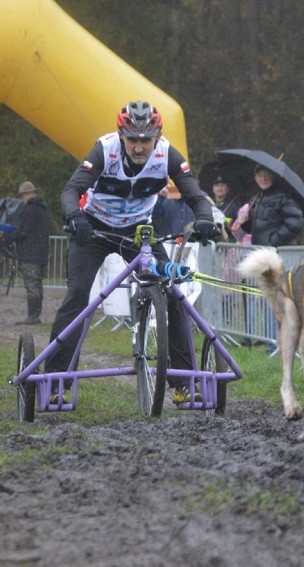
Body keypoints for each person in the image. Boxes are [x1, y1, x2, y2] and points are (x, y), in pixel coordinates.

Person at [46, 100, 218, 404]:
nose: (139, 147)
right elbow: (71, 190)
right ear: (122, 136)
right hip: (93, 230)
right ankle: (56, 380)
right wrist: (74, 217)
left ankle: (183, 384)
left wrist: (204, 219)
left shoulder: (168, 155)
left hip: (138, 233)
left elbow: (195, 195)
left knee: (172, 293)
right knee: (78, 296)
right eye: (133, 140)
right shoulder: (104, 149)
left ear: (157, 137)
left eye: (146, 140)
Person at [0, 181, 50, 324]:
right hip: (42, 252)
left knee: (31, 286)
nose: (22, 200)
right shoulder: (43, 209)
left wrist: (5, 236)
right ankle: (35, 315)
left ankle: (32, 317)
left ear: (27, 194)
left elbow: (23, 232)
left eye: (22, 196)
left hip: (30, 254)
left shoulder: (30, 209)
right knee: (37, 285)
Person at [236, 164, 304, 246]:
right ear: (255, 178)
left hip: (280, 252)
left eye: (267, 175)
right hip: (261, 251)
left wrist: (273, 243)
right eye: (260, 175)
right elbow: (254, 228)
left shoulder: (285, 197)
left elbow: (295, 223)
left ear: (273, 176)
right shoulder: (256, 199)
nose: (263, 179)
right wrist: (245, 222)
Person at [209, 175, 244, 242]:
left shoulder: (235, 206)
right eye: (217, 186)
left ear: (227, 189)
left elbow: (238, 226)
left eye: (222, 186)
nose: (219, 188)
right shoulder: (208, 204)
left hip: (227, 243)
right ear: (213, 189)